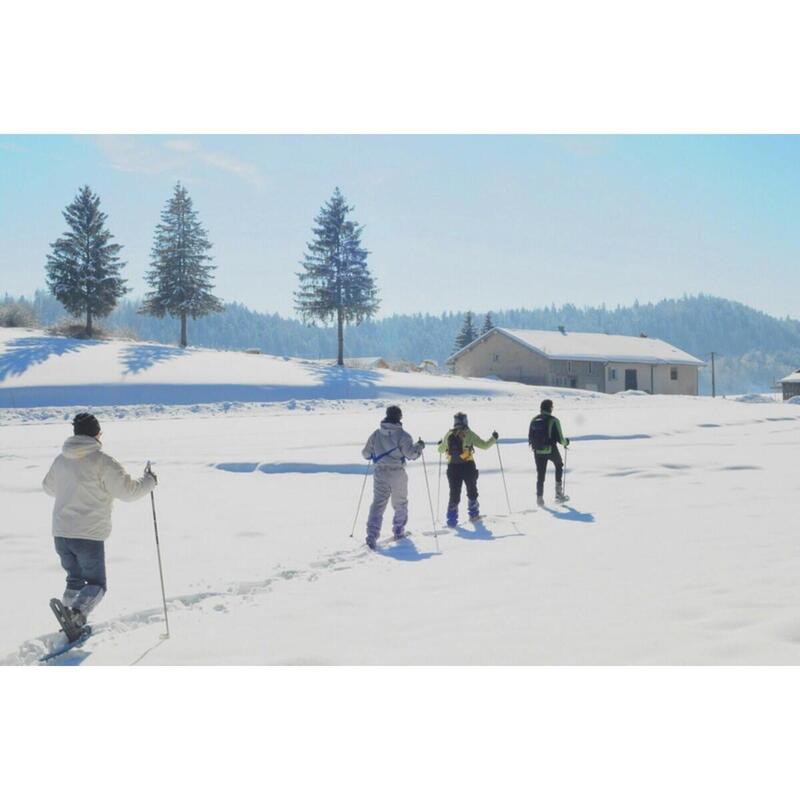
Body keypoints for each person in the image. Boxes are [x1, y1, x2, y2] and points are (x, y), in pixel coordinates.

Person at [42, 412, 158, 639]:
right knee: (96, 583)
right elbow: (129, 492)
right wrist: (150, 481)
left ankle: (68, 614)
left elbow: (48, 487)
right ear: (96, 434)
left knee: (74, 578)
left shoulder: (61, 459)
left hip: (61, 534)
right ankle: (76, 615)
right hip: (88, 535)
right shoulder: (102, 461)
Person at [361, 405, 425, 550]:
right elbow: (411, 454)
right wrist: (419, 447)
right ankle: (398, 531)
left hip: (380, 473)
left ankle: (371, 535)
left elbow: (365, 454)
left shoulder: (376, 434)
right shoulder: (404, 435)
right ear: (399, 417)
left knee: (378, 503)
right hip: (397, 472)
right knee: (400, 503)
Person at [437, 412, 498, 527]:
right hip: (468, 466)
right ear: (465, 421)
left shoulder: (449, 434)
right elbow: (484, 446)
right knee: (472, 491)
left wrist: (441, 444)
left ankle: (451, 520)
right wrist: (494, 438)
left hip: (452, 467)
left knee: (454, 493)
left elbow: (440, 450)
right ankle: (474, 515)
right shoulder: (469, 434)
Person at [528, 399, 570, 506]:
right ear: (550, 408)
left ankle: (539, 499)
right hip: (550, 449)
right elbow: (561, 439)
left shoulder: (534, 419)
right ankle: (558, 493)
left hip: (537, 451)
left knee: (540, 474)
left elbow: (530, 437)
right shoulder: (554, 420)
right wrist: (567, 442)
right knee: (559, 464)